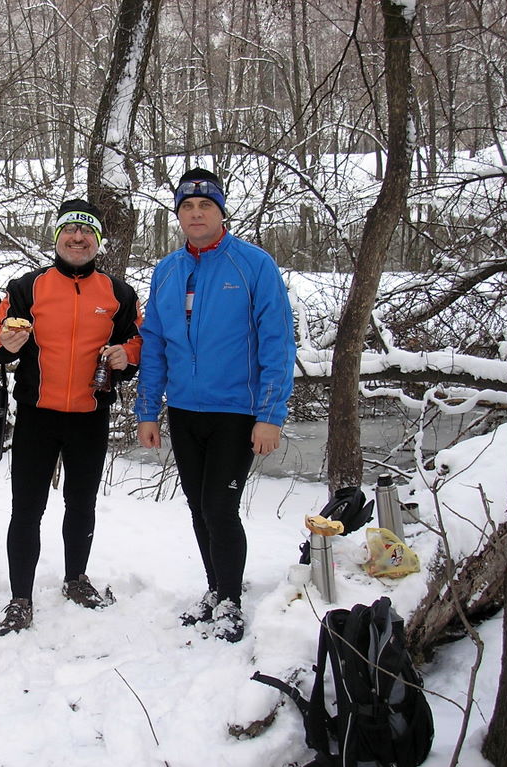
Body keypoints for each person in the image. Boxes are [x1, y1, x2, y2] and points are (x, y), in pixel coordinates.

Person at [135, 168, 295, 643]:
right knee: (198, 505)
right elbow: (155, 344)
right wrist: (148, 410)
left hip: (236, 410)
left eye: (206, 205)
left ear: (221, 212)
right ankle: (215, 588)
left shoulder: (253, 265)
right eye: (187, 206)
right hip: (185, 410)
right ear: (178, 215)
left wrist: (270, 415)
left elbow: (277, 342)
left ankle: (230, 602)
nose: (196, 213)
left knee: (219, 506)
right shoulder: (168, 270)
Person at [0, 199, 142, 636]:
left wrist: (126, 354)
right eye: (70, 230)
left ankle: (76, 579)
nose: (78, 238)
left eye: (87, 232)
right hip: (38, 415)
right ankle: (20, 598)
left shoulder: (118, 293)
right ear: (57, 238)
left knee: (82, 503)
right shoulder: (27, 286)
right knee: (26, 509)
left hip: (90, 416)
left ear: (98, 242)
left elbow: (140, 341)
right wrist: (4, 343)